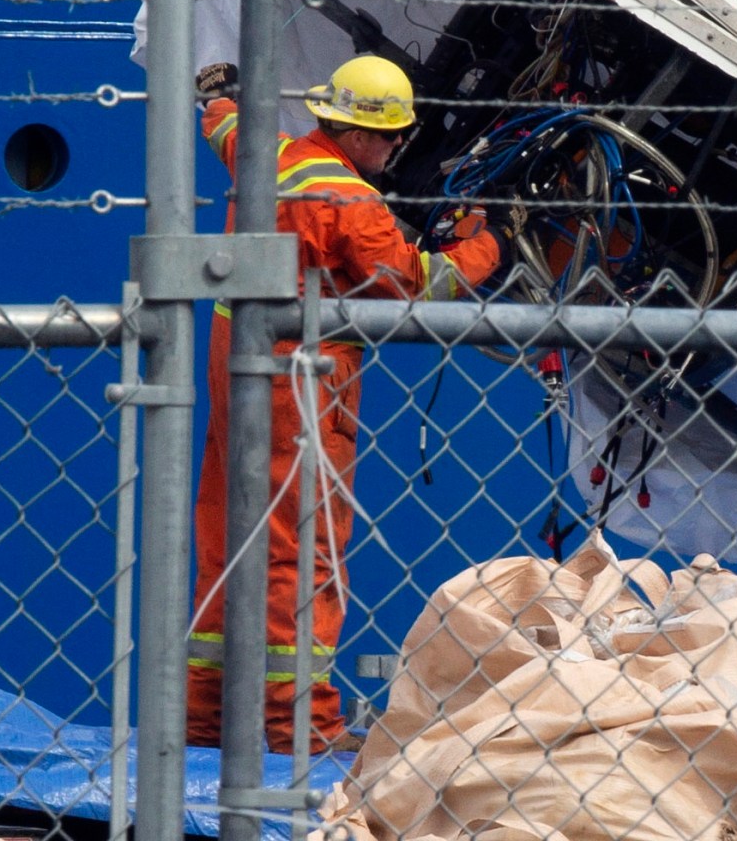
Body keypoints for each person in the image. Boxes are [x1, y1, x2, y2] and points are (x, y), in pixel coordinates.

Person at [185, 55, 503, 752]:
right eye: (390, 137)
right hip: (300, 384)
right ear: (358, 133)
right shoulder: (350, 202)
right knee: (304, 555)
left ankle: (203, 724)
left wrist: (216, 98)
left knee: (225, 546)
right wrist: (488, 242)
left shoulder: (270, 153)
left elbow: (226, 126)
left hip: (232, 364)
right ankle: (303, 727)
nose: (396, 149)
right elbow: (418, 287)